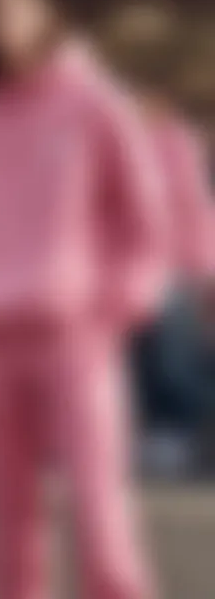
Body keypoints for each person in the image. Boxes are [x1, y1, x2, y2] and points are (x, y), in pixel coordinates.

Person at [0, 0, 166, 599]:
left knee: (100, 515)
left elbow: (147, 216)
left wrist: (121, 300)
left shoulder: (94, 99)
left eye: (13, 5)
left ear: (45, 11)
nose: (0, 20)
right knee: (7, 520)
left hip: (73, 334)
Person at [132, 90, 215, 475]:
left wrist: (201, 272)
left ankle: (178, 427)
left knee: (171, 349)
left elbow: (193, 210)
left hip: (171, 269)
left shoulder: (173, 144)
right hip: (115, 275)